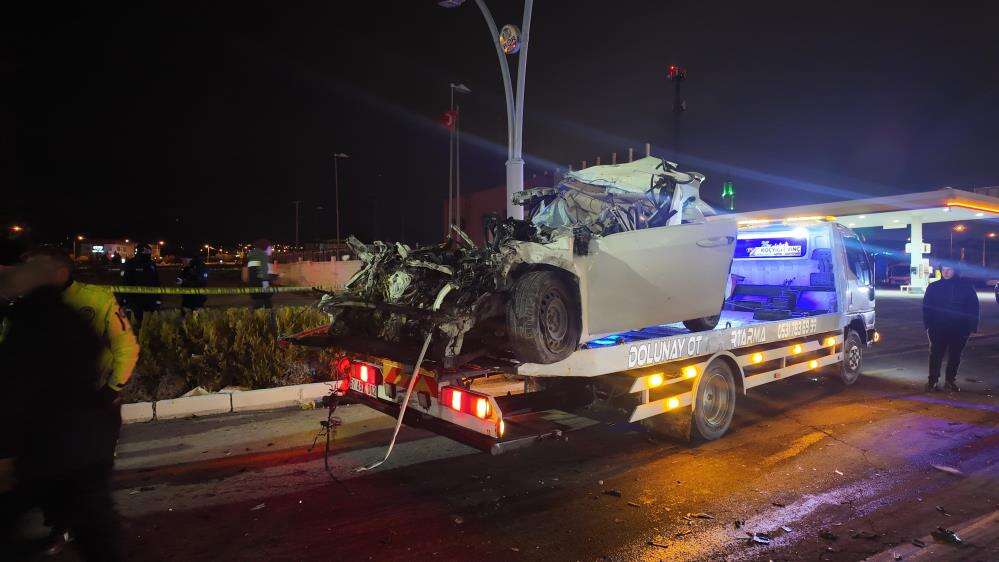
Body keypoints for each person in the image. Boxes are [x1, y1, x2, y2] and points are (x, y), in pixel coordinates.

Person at [1, 249, 133, 561]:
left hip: (51, 442)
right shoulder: (66, 316)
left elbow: (15, 389)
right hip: (87, 438)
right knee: (95, 522)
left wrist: (114, 388)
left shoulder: (32, 321)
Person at [922, 265, 980, 392]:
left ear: (955, 270)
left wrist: (971, 327)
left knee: (955, 356)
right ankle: (933, 381)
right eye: (943, 269)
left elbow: (973, 307)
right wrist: (928, 325)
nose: (946, 272)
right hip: (937, 328)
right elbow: (926, 307)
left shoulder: (965, 286)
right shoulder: (934, 287)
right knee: (936, 355)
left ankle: (950, 381)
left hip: (959, 328)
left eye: (949, 269)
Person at [120, 243, 161, 324]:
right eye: (147, 251)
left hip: (150, 298)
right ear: (140, 251)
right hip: (136, 298)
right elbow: (126, 281)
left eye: (149, 251)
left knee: (149, 321)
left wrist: (158, 297)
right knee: (137, 320)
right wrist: (126, 298)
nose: (149, 253)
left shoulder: (151, 264)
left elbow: (156, 280)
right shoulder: (130, 264)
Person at [246, 239, 277, 310]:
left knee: (259, 307)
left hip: (253, 286)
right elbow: (263, 273)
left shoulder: (253, 256)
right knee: (267, 309)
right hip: (262, 288)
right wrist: (267, 288)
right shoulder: (262, 255)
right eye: (270, 248)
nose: (271, 250)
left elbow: (254, 271)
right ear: (265, 248)